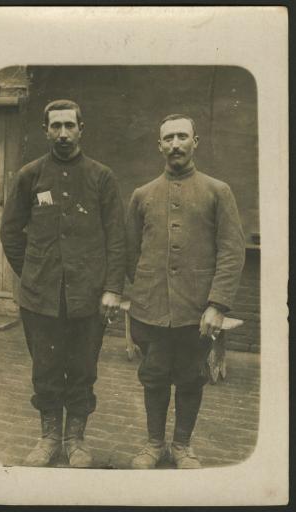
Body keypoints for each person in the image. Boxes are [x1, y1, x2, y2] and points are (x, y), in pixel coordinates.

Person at [0, 99, 126, 468]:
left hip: (88, 297)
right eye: (56, 127)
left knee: (83, 369)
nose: (63, 134)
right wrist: (34, 272)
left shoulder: (101, 177)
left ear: (81, 129)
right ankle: (49, 437)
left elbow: (116, 237)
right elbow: (10, 232)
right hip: (40, 299)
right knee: (46, 368)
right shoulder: (30, 176)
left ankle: (76, 441)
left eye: (70, 126)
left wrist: (112, 288)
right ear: (46, 131)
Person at [126, 114, 245, 469]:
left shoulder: (217, 191)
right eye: (168, 138)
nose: (175, 144)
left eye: (182, 136)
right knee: (154, 375)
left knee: (192, 377)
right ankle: (153, 445)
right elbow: (132, 251)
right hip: (152, 308)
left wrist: (217, 304)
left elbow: (231, 250)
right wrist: (146, 290)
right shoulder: (142, 195)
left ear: (196, 142)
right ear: (159, 145)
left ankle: (181, 446)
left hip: (197, 310)